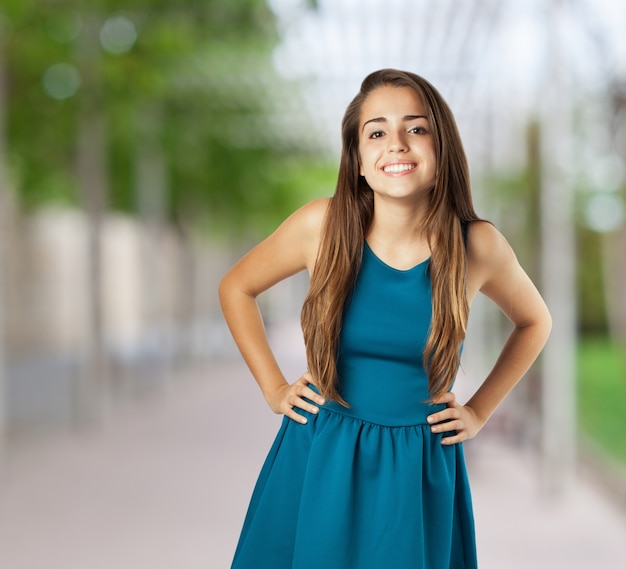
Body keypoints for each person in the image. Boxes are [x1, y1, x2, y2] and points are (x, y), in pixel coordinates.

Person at [218, 68, 552, 569]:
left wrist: (480, 411)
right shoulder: (321, 226)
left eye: (415, 129)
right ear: (358, 160)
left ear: (442, 150)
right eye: (376, 132)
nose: (396, 144)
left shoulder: (476, 245)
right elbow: (236, 287)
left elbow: (535, 322)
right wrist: (273, 388)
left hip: (418, 466)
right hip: (320, 452)